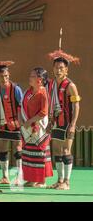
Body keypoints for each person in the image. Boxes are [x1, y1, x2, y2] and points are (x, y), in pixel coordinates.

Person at [47, 49, 81, 190]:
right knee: (57, 151)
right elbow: (50, 104)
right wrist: (49, 121)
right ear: (53, 69)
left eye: (61, 68)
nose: (58, 70)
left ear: (66, 70)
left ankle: (67, 182)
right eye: (56, 68)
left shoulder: (70, 86)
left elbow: (76, 105)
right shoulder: (51, 85)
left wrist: (73, 124)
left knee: (66, 150)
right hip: (56, 122)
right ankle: (59, 180)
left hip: (67, 123)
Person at [0, 61, 23, 185]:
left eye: (6, 76)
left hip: (15, 122)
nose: (4, 79)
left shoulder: (15, 89)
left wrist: (21, 123)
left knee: (18, 148)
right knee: (1, 148)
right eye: (1, 76)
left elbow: (23, 106)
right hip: (1, 122)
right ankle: (5, 177)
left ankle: (19, 177)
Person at [20, 67, 53, 188]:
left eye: (33, 76)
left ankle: (41, 180)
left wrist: (30, 121)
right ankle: (31, 179)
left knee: (39, 154)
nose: (30, 78)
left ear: (40, 79)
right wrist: (22, 121)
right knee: (28, 153)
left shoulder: (43, 92)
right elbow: (21, 106)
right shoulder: (28, 91)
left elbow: (44, 112)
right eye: (30, 75)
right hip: (27, 127)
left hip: (38, 127)